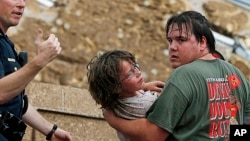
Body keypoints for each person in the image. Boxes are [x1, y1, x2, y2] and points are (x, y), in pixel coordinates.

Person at [102, 10, 250, 141]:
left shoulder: (184, 75)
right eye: (170, 40)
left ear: (202, 42)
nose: (172, 47)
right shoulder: (236, 74)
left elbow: (152, 136)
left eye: (181, 40)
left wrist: (112, 119)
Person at [0, 0, 73, 141]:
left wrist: (51, 131)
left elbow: (15, 99)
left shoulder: (6, 43)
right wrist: (40, 61)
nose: (22, 4)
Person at [87, 49, 165, 141]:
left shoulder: (114, 102)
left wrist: (144, 87)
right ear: (116, 87)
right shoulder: (144, 105)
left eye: (136, 66)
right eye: (130, 74)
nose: (138, 72)